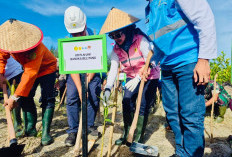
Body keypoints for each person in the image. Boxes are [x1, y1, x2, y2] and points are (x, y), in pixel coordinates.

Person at [145, 0, 217, 156]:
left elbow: (204, 17)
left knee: (190, 114)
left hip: (188, 61)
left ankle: (191, 153)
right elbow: (160, 39)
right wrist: (152, 62)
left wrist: (204, 59)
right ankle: (182, 152)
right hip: (167, 66)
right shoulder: (151, 6)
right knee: (172, 114)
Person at [100, 8, 160, 145]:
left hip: (149, 76)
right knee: (126, 101)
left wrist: (139, 78)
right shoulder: (116, 49)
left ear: (126, 30)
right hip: (130, 77)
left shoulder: (140, 40)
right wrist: (108, 88)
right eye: (112, 36)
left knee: (143, 104)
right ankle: (127, 133)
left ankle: (138, 136)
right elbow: (114, 68)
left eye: (118, 35)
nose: (116, 39)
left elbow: (151, 61)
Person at [0, 19, 57, 146]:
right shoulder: (8, 43)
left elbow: (30, 74)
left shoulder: (36, 48)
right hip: (29, 69)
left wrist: (14, 97)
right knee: (25, 97)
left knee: (47, 98)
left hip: (47, 69)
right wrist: (0, 73)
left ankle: (45, 134)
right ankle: (30, 129)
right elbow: (2, 56)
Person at [63, 6, 102, 147]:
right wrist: (80, 88)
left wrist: (88, 80)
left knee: (92, 95)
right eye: (74, 34)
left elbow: (96, 62)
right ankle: (73, 131)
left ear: (84, 25)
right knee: (72, 97)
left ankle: (89, 126)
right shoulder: (68, 41)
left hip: (92, 70)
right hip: (75, 72)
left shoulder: (94, 37)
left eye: (79, 32)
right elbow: (71, 69)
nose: (77, 36)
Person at [1, 56, 24, 137]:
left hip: (15, 72)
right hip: (3, 75)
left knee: (15, 98)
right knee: (7, 99)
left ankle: (17, 123)